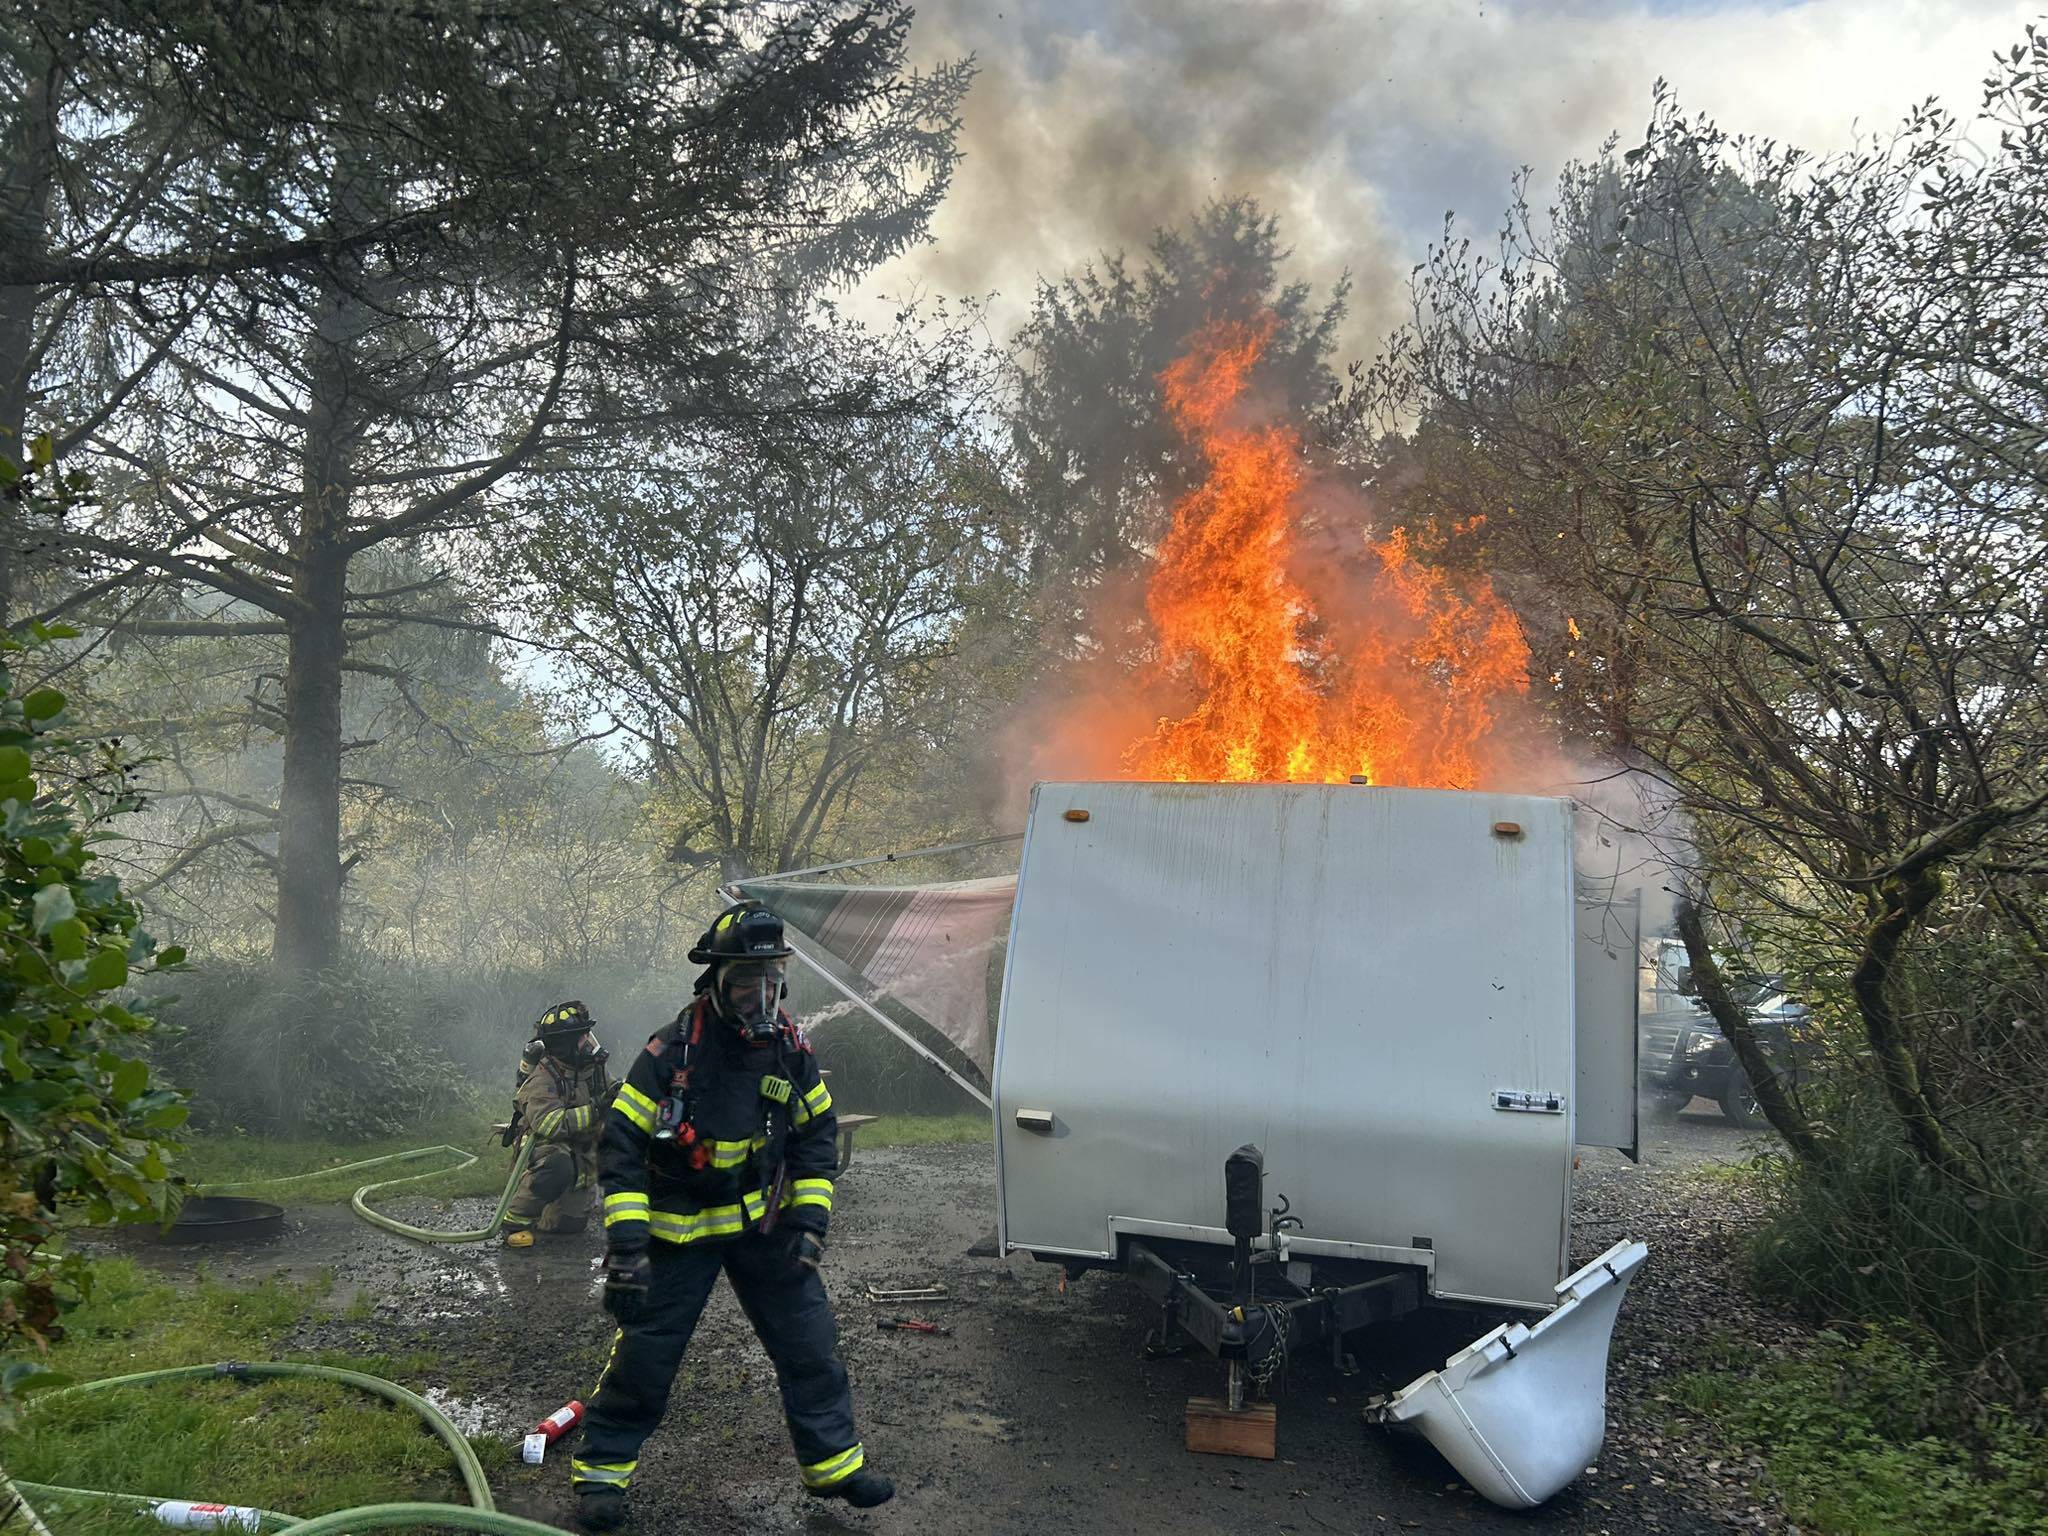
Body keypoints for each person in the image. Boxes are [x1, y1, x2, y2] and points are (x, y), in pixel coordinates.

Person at [568, 903, 891, 1531]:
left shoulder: (789, 1049)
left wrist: (809, 1223)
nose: (760, 997)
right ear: (715, 983)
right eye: (746, 982)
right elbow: (621, 1146)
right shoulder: (670, 1052)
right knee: (646, 1359)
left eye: (771, 981)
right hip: (678, 1234)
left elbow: (816, 1134)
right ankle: (601, 1477)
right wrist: (628, 1249)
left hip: (761, 1227)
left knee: (810, 1342)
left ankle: (834, 1467)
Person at [502, 1001, 614, 1249]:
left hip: (579, 1149)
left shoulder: (591, 1069)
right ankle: (514, 1221)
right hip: (546, 1151)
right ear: (566, 1044)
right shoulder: (543, 1078)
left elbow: (610, 1095)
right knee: (558, 1164)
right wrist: (596, 1110)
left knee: (570, 1226)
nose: (589, 1041)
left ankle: (550, 1209)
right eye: (583, 1037)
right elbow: (549, 1124)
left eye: (588, 1035)